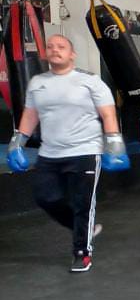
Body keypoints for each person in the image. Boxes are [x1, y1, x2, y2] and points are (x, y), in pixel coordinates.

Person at [6, 34, 127, 272]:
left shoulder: (90, 81)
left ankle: (82, 252)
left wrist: (113, 142)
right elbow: (31, 115)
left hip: (85, 150)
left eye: (61, 47)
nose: (54, 50)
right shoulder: (37, 83)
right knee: (45, 197)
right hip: (50, 153)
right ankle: (86, 228)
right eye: (50, 46)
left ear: (72, 54)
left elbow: (108, 113)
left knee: (83, 203)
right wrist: (16, 142)